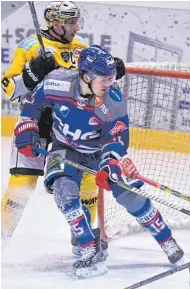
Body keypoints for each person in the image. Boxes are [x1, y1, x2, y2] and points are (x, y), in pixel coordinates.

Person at [13, 45, 184, 278]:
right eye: (103, 78)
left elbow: (117, 138)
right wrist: (27, 126)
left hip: (99, 152)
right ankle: (88, 246)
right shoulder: (57, 82)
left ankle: (166, 239)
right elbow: (32, 104)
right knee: (64, 192)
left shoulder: (112, 100)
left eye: (111, 77)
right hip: (65, 148)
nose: (110, 83)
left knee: (127, 195)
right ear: (85, 76)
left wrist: (110, 164)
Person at [1, 1, 125, 255]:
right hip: (36, 123)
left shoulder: (81, 48)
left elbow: (91, 84)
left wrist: (111, 70)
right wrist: (33, 73)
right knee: (22, 185)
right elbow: (9, 89)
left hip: (70, 126)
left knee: (88, 185)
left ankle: (83, 242)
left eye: (77, 21)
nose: (76, 27)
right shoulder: (30, 47)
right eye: (70, 22)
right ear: (55, 23)